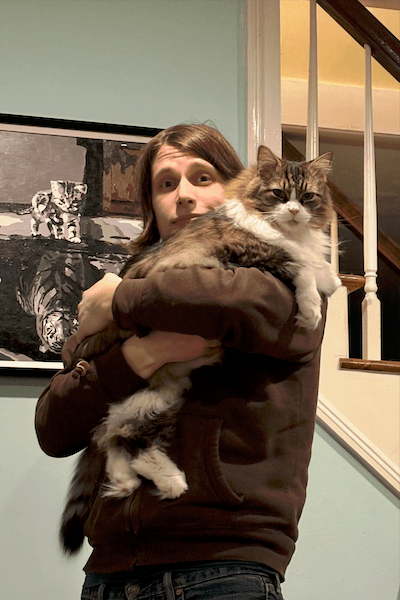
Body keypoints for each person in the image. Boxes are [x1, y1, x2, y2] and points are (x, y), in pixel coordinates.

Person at [35, 123, 327, 600]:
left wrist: (121, 299)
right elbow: (53, 427)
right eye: (166, 184)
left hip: (223, 567)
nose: (185, 196)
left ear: (238, 188)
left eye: (202, 178)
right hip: (110, 575)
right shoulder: (130, 282)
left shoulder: (285, 282)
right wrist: (140, 354)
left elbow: (232, 300)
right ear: (151, 205)